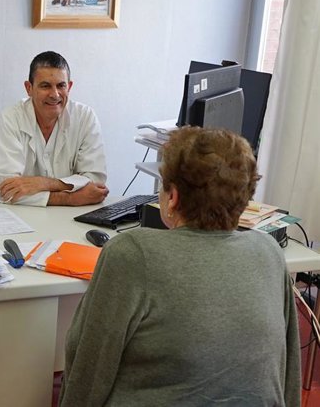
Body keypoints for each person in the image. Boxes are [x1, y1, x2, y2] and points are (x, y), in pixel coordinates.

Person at [59, 127, 301, 406]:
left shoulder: (133, 254)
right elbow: (288, 373)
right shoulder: (269, 253)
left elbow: (88, 370)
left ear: (172, 197)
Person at [0, 50, 108, 206]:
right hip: (13, 216)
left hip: (66, 218)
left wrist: (44, 183)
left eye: (61, 85)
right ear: (29, 88)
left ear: (69, 87)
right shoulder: (10, 118)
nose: (55, 94)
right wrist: (69, 198)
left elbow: (96, 182)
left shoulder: (85, 117)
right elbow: (6, 190)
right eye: (45, 86)